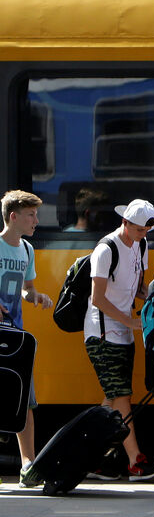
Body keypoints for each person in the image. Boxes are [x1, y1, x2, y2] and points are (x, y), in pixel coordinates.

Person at [84, 199, 154, 482]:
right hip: (101, 333)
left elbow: (137, 287)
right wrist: (129, 320)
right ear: (125, 223)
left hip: (125, 333)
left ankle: (89, 454)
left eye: (146, 231)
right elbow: (97, 298)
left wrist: (153, 293)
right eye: (138, 229)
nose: (142, 235)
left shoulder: (142, 245)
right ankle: (134, 460)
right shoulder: (105, 249)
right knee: (122, 395)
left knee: (113, 399)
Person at [0, 191, 53, 487]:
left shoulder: (27, 250)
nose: (36, 221)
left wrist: (36, 296)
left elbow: (26, 288)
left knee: (25, 400)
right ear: (14, 217)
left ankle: (28, 465)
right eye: (31, 215)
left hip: (16, 335)